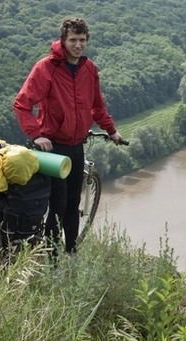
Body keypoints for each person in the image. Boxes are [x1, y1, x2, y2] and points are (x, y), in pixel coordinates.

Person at [13, 17, 124, 254]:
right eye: (73, 39)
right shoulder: (46, 68)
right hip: (52, 148)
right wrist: (36, 135)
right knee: (58, 205)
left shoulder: (89, 69)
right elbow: (22, 104)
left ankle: (71, 252)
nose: (78, 45)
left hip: (76, 145)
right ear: (63, 40)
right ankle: (53, 259)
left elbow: (97, 106)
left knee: (73, 203)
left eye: (82, 40)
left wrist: (111, 131)